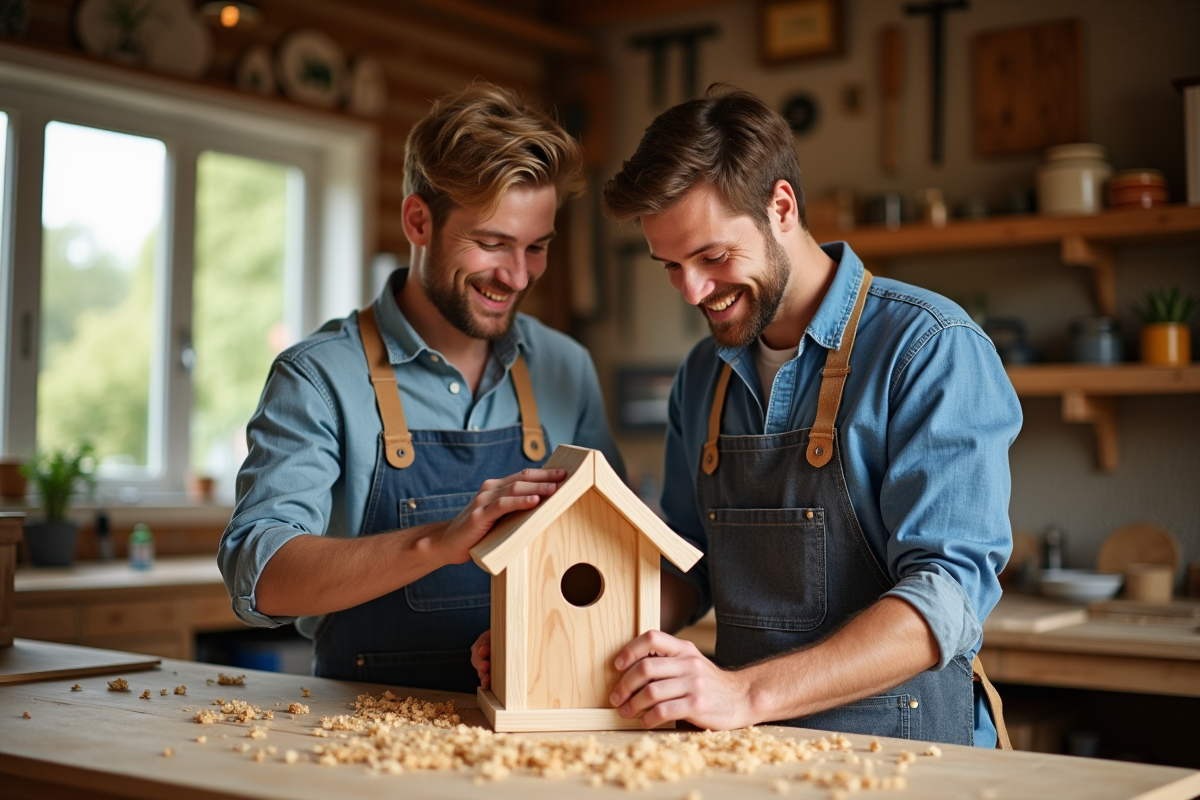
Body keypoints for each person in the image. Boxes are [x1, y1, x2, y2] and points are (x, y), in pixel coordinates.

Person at [597, 85, 1021, 747]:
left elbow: (948, 596)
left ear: (782, 207)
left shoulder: (928, 348)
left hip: (907, 758)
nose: (693, 292)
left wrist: (745, 691)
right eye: (671, 267)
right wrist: (570, 637)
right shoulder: (702, 376)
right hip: (746, 749)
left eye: (711, 257)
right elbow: (690, 565)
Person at [219, 82, 623, 694]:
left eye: (536, 247)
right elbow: (261, 574)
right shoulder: (319, 378)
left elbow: (613, 555)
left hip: (541, 733)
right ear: (418, 220)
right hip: (364, 735)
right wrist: (438, 541)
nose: (517, 276)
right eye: (491, 244)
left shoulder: (565, 366)